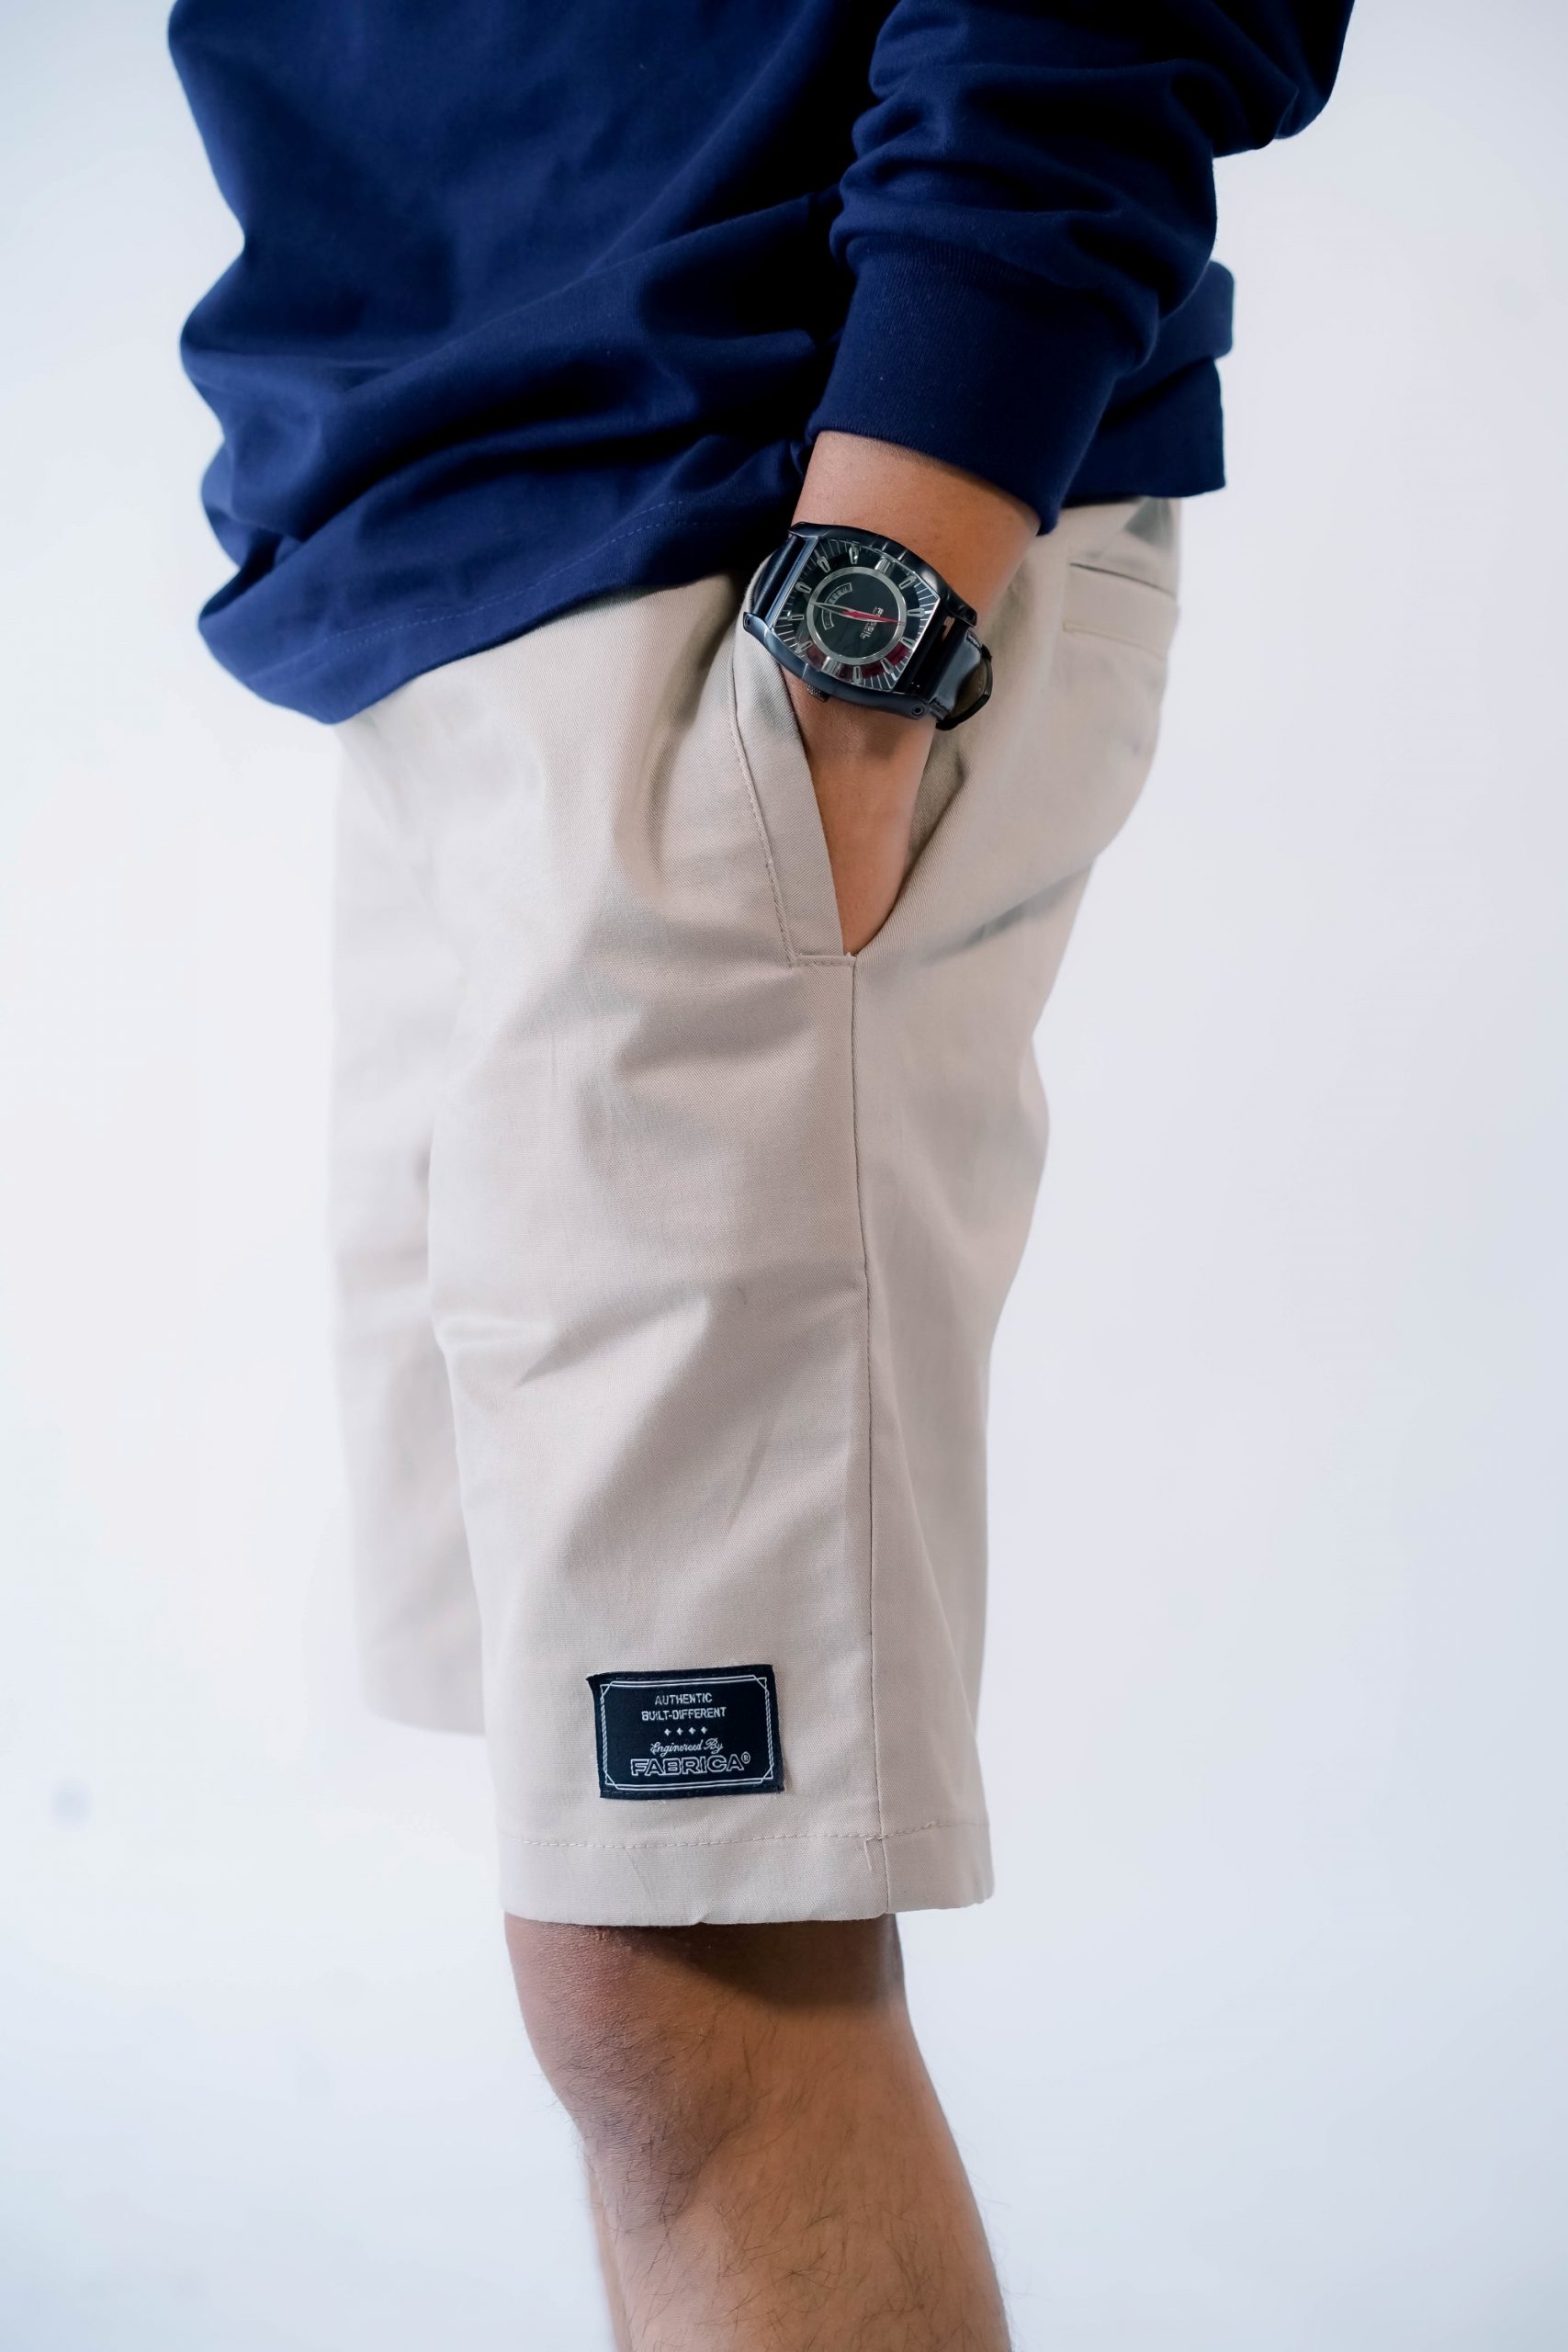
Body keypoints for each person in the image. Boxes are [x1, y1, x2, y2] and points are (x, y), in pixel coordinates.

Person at [170, 5, 1354, 2342]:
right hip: (443, 566)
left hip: (753, 537)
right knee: (613, 1928)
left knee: (688, 1962)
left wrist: (863, 619)